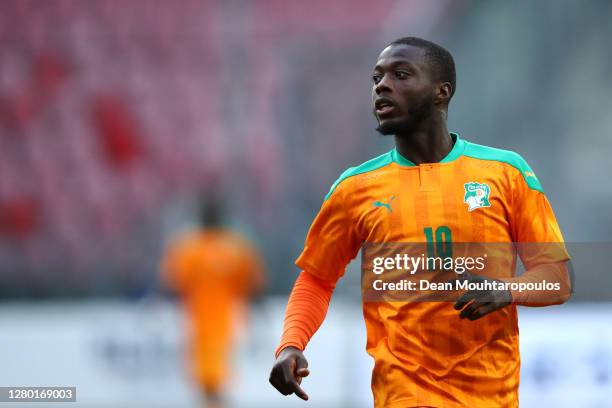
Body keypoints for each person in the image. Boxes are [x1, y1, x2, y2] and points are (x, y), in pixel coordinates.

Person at [269, 37, 572, 407]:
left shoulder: (505, 173)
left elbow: (556, 279)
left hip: (492, 397)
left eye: (400, 74)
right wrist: (290, 345)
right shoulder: (354, 188)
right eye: (376, 78)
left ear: (441, 92)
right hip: (402, 395)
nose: (382, 85)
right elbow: (317, 279)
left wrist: (506, 290)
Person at [162, 195, 264, 408]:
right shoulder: (232, 246)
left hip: (212, 323)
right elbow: (253, 282)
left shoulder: (189, 247)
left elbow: (171, 284)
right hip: (217, 322)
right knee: (212, 383)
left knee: (212, 383)